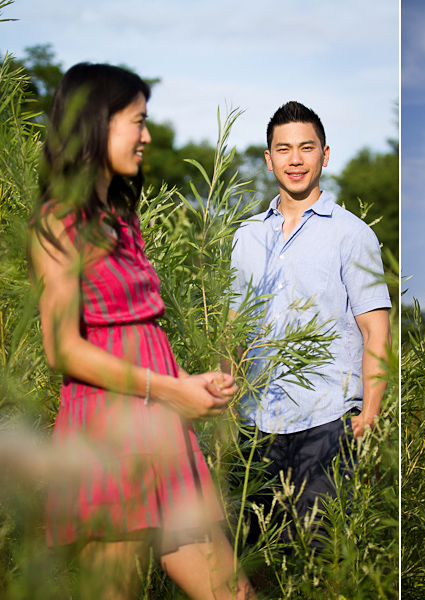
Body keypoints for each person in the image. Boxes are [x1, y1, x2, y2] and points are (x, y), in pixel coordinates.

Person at [29, 63, 254, 600]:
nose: (147, 136)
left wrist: (188, 381)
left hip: (160, 433)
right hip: (106, 436)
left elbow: (137, 328)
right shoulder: (58, 222)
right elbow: (61, 347)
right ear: (96, 124)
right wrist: (169, 390)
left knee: (234, 593)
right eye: (137, 121)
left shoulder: (121, 219)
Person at [229, 102, 391, 552]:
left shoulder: (352, 234)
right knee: (249, 560)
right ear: (269, 158)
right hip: (255, 425)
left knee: (322, 562)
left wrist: (370, 413)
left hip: (327, 424)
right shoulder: (246, 237)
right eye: (283, 149)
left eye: (306, 148)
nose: (295, 159)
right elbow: (233, 329)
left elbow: (376, 330)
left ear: (325, 154)